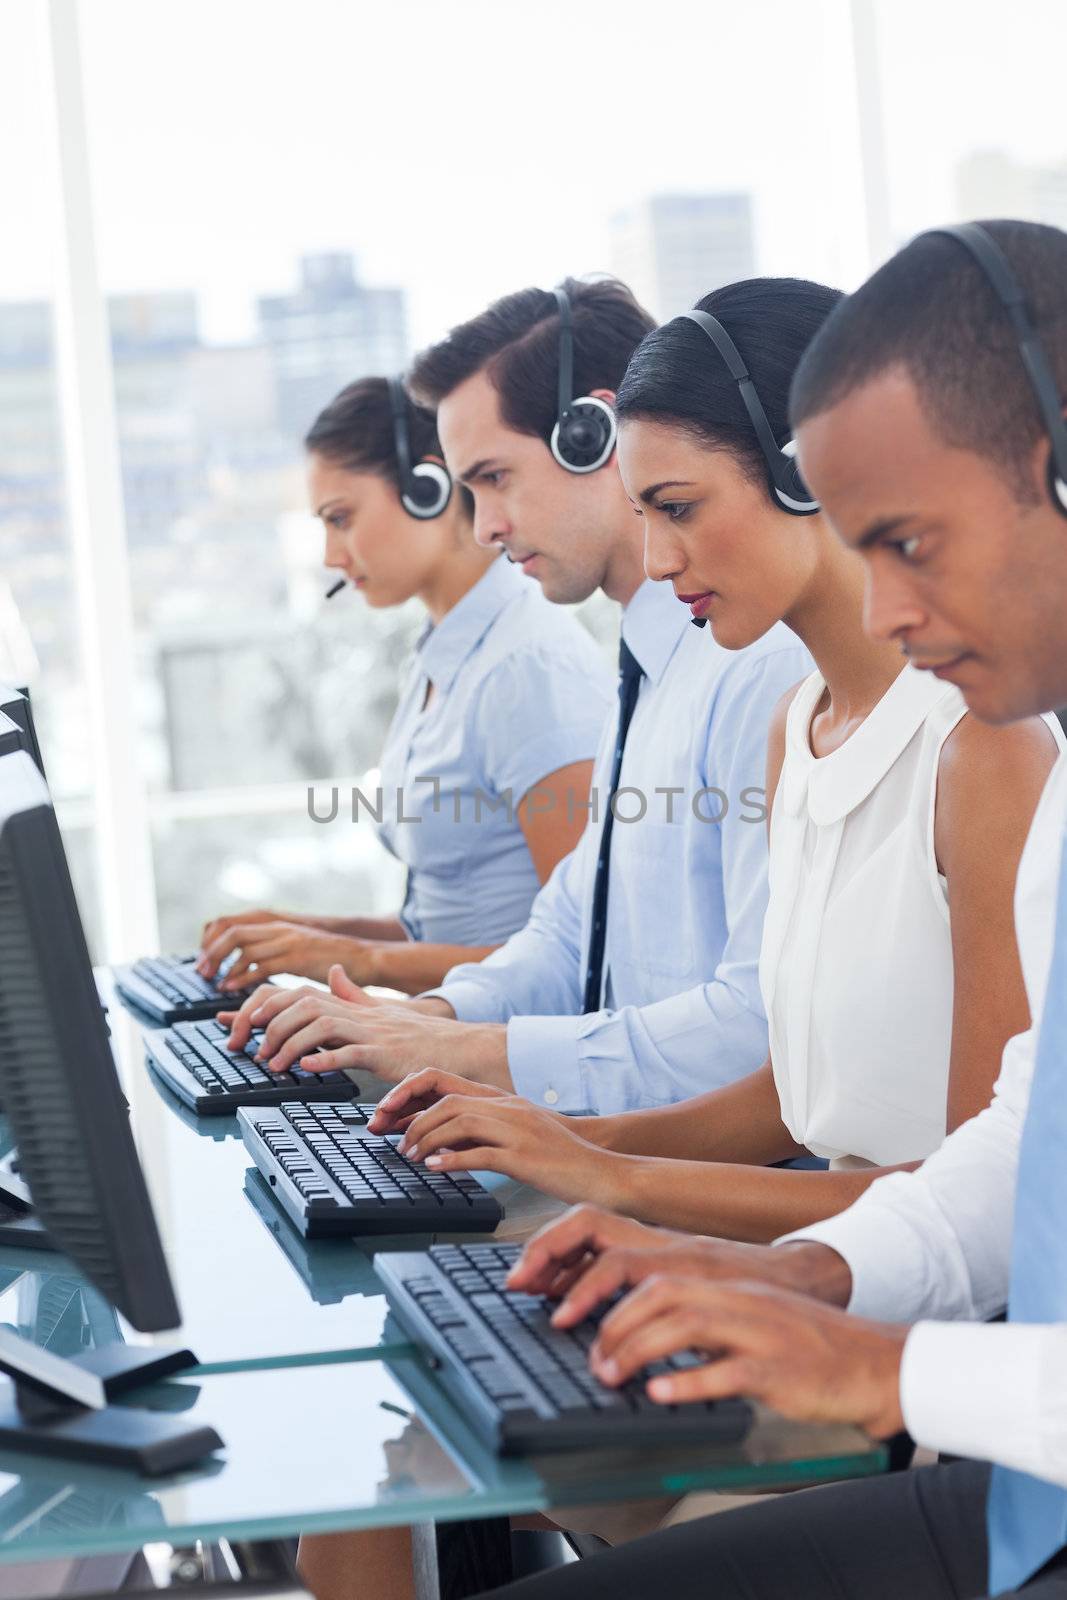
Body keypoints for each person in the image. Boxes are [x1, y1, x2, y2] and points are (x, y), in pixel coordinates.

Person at [470, 219, 1067, 1600]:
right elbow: (1009, 1157)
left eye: (908, 542)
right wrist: (808, 1277)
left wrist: (882, 1361)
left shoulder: (999, 761)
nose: (891, 607)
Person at [356, 275, 1061, 1252]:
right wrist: (568, 1147)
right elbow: (791, 1092)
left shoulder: (980, 747)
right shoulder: (797, 724)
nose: (652, 559)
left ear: (806, 470)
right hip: (814, 1260)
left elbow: (975, 1199)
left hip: (905, 1309)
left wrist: (613, 1175)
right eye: (644, 511)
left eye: (678, 506)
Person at [221, 277, 814, 1109]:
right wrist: (424, 1021)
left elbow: (757, 1032)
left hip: (698, 1172)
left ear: (591, 434)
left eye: (495, 479)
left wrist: (450, 1041)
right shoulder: (647, 669)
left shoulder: (753, 667)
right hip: (622, 1142)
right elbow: (571, 927)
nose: (485, 524)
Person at [196, 376, 611, 996]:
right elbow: (441, 924)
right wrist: (298, 934)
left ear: (429, 489)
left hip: (509, 1068)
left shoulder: (528, 669)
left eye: (341, 519)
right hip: (439, 1042)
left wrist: (349, 958)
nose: (332, 556)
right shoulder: (439, 659)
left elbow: (583, 952)